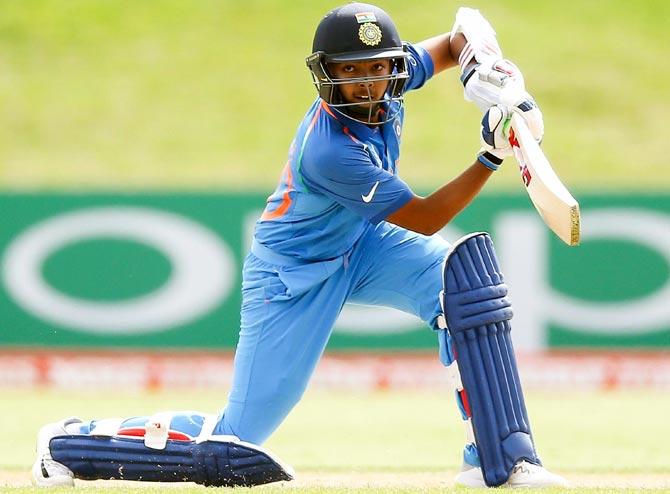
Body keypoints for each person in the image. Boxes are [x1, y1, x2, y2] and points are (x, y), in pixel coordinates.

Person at [32, 3, 566, 488]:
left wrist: (487, 70)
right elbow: (425, 220)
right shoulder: (329, 151)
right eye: (348, 71)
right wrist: (491, 154)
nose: (364, 83)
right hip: (293, 274)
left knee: (463, 282)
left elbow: (453, 43)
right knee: (232, 444)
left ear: (392, 66)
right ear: (326, 72)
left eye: (376, 68)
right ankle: (68, 444)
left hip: (365, 244)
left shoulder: (388, 78)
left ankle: (500, 461)